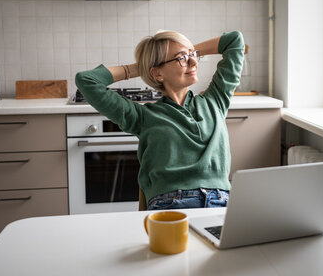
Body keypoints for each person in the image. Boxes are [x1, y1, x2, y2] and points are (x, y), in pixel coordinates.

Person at [75, 30, 244, 210]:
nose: (194, 62)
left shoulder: (215, 101)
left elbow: (234, 41)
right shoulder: (143, 117)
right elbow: (86, 80)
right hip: (171, 206)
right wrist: (140, 68)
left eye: (193, 56)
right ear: (157, 73)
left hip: (221, 202)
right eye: (182, 59)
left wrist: (187, 51)